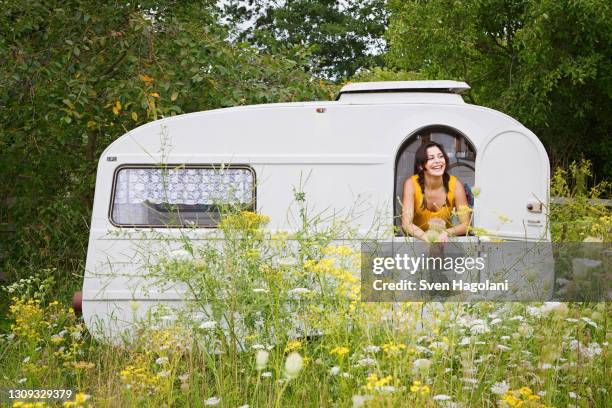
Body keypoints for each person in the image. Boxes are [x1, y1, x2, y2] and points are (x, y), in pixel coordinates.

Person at [401, 141, 470, 242]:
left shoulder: (456, 185)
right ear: (421, 166)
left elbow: (466, 225)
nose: (438, 161)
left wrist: (446, 233)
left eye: (440, 156)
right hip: (417, 242)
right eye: (431, 158)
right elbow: (406, 224)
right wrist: (426, 237)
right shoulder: (411, 184)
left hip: (444, 241)